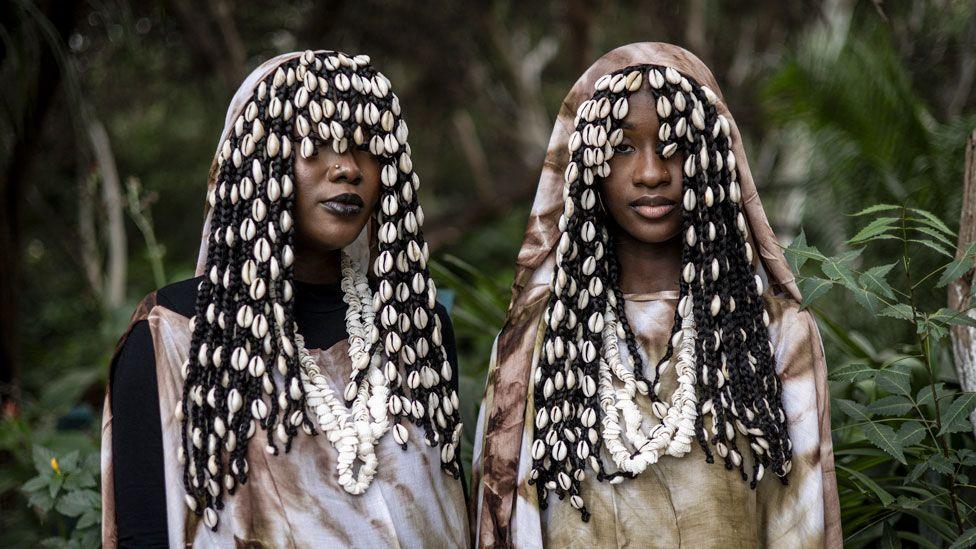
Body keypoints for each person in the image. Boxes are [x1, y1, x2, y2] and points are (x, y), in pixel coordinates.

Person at [471, 42, 841, 548]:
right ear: (588, 168)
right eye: (624, 148)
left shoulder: (774, 334)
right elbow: (516, 526)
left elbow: (803, 528)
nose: (651, 173)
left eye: (677, 146)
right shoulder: (537, 344)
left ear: (712, 160)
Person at [101, 50, 468, 548]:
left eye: (367, 147)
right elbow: (144, 534)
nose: (348, 169)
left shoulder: (417, 329)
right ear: (260, 163)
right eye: (315, 143)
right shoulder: (174, 336)